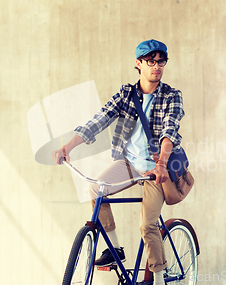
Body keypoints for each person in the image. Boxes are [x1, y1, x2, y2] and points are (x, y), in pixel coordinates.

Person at [52, 39, 185, 285]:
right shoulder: (126, 94)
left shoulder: (171, 96)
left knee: (147, 225)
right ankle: (115, 252)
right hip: (129, 164)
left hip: (155, 169)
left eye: (161, 61)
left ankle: (156, 277)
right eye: (150, 61)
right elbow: (100, 119)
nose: (156, 66)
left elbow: (170, 131)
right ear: (139, 63)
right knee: (95, 188)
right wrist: (67, 146)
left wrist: (161, 164)